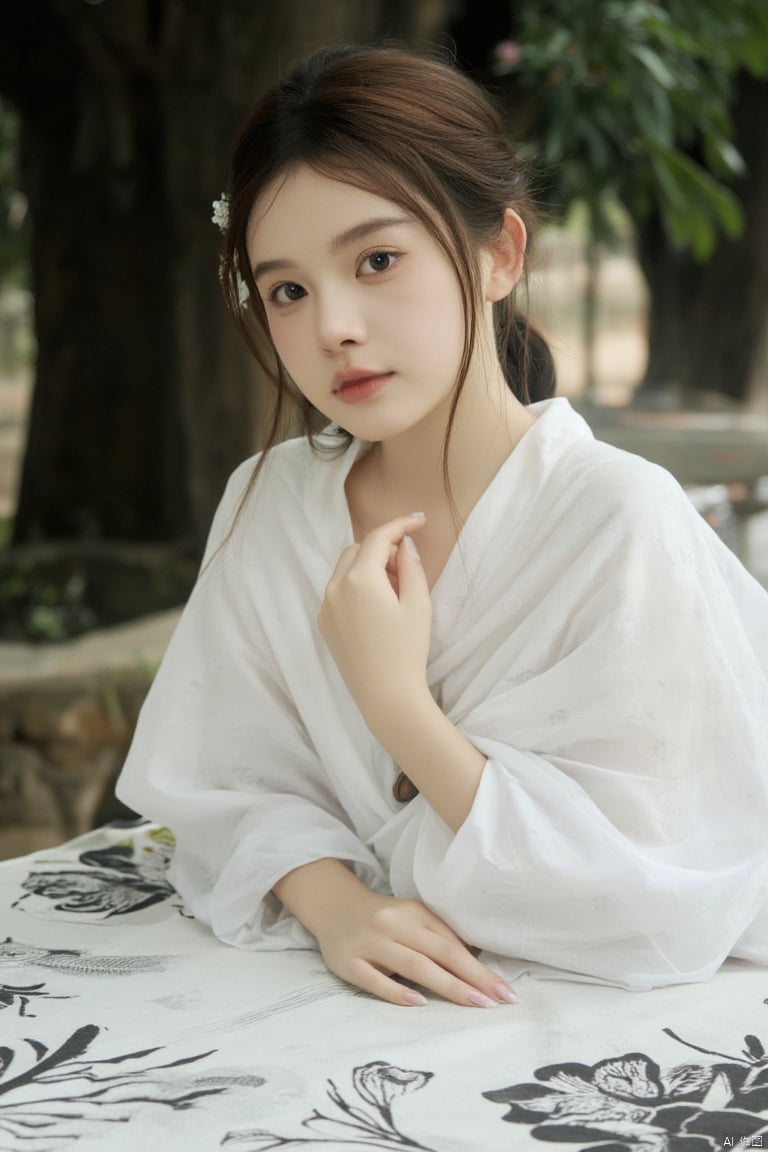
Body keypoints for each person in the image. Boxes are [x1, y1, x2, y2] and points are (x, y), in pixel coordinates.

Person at [117, 45, 768, 1008]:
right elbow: (220, 785)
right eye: (287, 289)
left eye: (377, 260)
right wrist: (335, 905)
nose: (332, 324)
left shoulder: (615, 519)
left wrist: (395, 702)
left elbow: (644, 895)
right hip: (317, 1008)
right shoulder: (272, 503)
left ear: (499, 253)